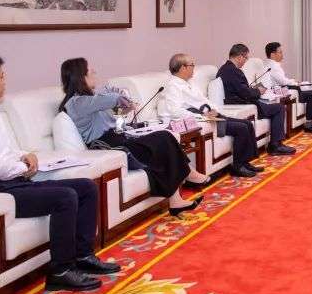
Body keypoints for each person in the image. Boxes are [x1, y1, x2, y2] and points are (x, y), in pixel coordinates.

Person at [0, 54, 120, 292]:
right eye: (1, 77)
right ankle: (60, 271)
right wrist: (25, 166)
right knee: (65, 197)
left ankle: (83, 256)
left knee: (86, 187)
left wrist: (25, 155)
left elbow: (6, 152)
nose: (5, 82)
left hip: (11, 182)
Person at [59, 58, 207, 217]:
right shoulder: (77, 103)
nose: (94, 72)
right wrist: (119, 96)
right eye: (90, 70)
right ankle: (187, 174)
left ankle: (177, 198)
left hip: (119, 138)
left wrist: (124, 108)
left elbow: (114, 117)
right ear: (81, 76)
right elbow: (112, 98)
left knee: (165, 138)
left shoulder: (89, 101)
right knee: (164, 138)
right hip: (109, 146)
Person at [158, 53, 263, 178]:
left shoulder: (189, 83)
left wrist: (214, 109)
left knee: (247, 124)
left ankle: (245, 163)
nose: (194, 68)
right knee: (241, 128)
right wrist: (202, 115)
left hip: (210, 116)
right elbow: (175, 110)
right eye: (192, 65)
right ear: (182, 68)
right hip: (199, 119)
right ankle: (238, 166)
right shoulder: (173, 86)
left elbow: (204, 100)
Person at [218, 44, 294, 155]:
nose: (245, 61)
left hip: (241, 100)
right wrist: (258, 91)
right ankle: (275, 145)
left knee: (276, 107)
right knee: (279, 108)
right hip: (242, 103)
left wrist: (253, 89)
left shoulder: (226, 68)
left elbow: (241, 89)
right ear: (240, 57)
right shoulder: (233, 71)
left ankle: (276, 144)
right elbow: (244, 93)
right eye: (246, 58)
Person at [262, 42, 312, 134]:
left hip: (283, 88)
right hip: (280, 91)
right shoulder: (272, 66)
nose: (282, 54)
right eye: (280, 52)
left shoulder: (272, 64)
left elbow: (282, 80)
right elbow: (283, 82)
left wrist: (294, 82)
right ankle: (309, 124)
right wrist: (296, 82)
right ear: (272, 54)